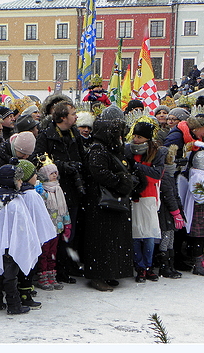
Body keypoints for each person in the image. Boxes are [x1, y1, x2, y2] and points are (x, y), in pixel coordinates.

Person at [32, 101, 85, 283]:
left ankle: (68, 267)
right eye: (73, 113)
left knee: (71, 231)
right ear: (62, 117)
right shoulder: (47, 135)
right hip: (54, 192)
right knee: (56, 233)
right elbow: (39, 159)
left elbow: (81, 156)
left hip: (73, 189)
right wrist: (62, 166)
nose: (76, 116)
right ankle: (56, 269)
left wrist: (78, 166)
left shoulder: (75, 133)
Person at [81, 118, 137, 291]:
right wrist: (122, 182)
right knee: (102, 241)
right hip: (100, 203)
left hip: (108, 202)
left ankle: (110, 272)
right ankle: (98, 275)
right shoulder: (98, 149)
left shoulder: (106, 148)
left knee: (112, 239)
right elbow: (100, 174)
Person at [0, 160, 41, 315]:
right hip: (11, 244)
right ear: (11, 181)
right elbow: (21, 226)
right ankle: (14, 304)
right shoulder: (14, 201)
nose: (21, 182)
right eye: (18, 179)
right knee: (10, 276)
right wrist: (23, 243)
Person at [125, 120, 167, 283]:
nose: (136, 139)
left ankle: (147, 266)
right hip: (134, 196)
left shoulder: (157, 152)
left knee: (149, 234)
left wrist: (137, 167)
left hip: (149, 196)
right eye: (135, 135)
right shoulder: (128, 150)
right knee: (136, 233)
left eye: (140, 136)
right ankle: (139, 266)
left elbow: (157, 174)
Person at [16, 159, 56, 305]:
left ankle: (24, 289)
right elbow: (40, 217)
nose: (36, 178)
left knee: (22, 265)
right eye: (34, 174)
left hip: (23, 236)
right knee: (29, 265)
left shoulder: (20, 193)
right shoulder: (31, 195)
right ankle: (25, 293)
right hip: (30, 237)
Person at [36, 154, 72, 290]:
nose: (55, 175)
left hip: (57, 227)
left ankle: (52, 275)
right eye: (51, 173)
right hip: (46, 228)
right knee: (44, 253)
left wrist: (67, 223)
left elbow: (64, 209)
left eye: (56, 172)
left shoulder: (58, 190)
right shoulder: (43, 191)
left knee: (53, 252)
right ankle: (42, 275)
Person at [156, 145, 184, 279]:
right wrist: (176, 212)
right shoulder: (165, 175)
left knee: (169, 238)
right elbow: (169, 196)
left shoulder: (168, 174)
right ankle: (165, 266)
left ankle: (169, 265)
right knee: (166, 238)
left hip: (169, 212)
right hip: (166, 212)